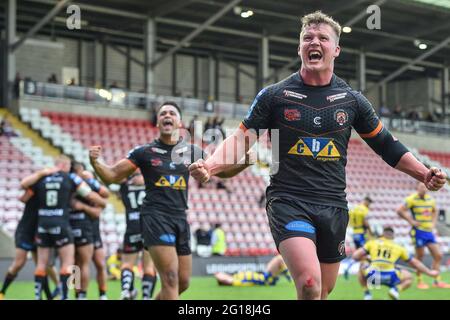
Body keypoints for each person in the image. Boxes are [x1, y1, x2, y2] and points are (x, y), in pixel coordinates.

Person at [189, 11, 447, 300]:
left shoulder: (352, 101)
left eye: (323, 38)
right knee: (310, 284)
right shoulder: (274, 96)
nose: (315, 42)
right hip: (288, 200)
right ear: (299, 47)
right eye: (307, 37)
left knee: (323, 291)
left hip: (333, 206)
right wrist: (210, 166)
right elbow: (240, 139)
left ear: (336, 49)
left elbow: (387, 145)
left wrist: (424, 173)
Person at [89, 101, 249, 300]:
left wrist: (244, 163)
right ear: (157, 122)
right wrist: (95, 163)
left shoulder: (191, 151)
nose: (167, 115)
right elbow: (112, 176)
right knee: (170, 279)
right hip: (155, 217)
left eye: (172, 113)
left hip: (180, 218)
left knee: (182, 282)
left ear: (179, 122)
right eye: (163, 113)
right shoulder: (144, 152)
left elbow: (221, 172)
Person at [19, 156, 107, 300]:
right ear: (66, 165)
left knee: (45, 264)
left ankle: (39, 296)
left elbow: (23, 194)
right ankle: (74, 296)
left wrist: (41, 173)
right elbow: (93, 195)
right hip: (66, 226)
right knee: (74, 263)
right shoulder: (71, 178)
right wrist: (102, 203)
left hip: (43, 225)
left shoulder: (42, 178)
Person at [0, 189, 60, 300]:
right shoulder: (37, 186)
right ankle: (2, 292)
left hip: (40, 231)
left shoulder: (55, 193)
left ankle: (48, 296)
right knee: (18, 263)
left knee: (42, 266)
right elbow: (23, 198)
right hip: (25, 231)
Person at [352, 226, 439, 300]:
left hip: (373, 277)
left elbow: (355, 256)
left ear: (383, 234)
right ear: (393, 236)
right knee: (409, 277)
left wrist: (367, 258)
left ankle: (367, 293)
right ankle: (395, 289)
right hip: (390, 276)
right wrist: (430, 272)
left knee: (361, 267)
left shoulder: (372, 243)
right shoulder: (398, 247)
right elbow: (415, 263)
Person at [396, 182, 450, 289]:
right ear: (417, 188)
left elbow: (435, 211)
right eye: (421, 187)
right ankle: (420, 281)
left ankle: (436, 281)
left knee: (438, 255)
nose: (423, 189)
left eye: (425, 187)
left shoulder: (431, 200)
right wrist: (411, 221)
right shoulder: (411, 199)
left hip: (428, 232)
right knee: (419, 256)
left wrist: (433, 223)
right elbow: (399, 210)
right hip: (418, 231)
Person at [119, 172, 157, 300]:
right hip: (149, 228)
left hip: (132, 228)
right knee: (148, 267)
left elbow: (116, 176)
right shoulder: (151, 185)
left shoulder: (124, 187)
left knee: (127, 264)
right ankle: (146, 296)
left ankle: (125, 290)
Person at [343, 196, 373, 279]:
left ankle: (349, 268)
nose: (369, 205)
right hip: (361, 234)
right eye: (369, 204)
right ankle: (367, 273)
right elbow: (366, 223)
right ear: (367, 202)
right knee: (365, 253)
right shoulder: (364, 210)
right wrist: (371, 232)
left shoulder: (354, 209)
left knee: (359, 255)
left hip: (354, 232)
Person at [215, 255, 291, 286]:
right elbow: (222, 278)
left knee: (279, 259)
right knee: (279, 259)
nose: (223, 273)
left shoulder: (234, 277)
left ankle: (288, 274)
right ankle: (289, 276)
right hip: (265, 279)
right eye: (222, 275)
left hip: (264, 276)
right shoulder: (234, 280)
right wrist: (219, 276)